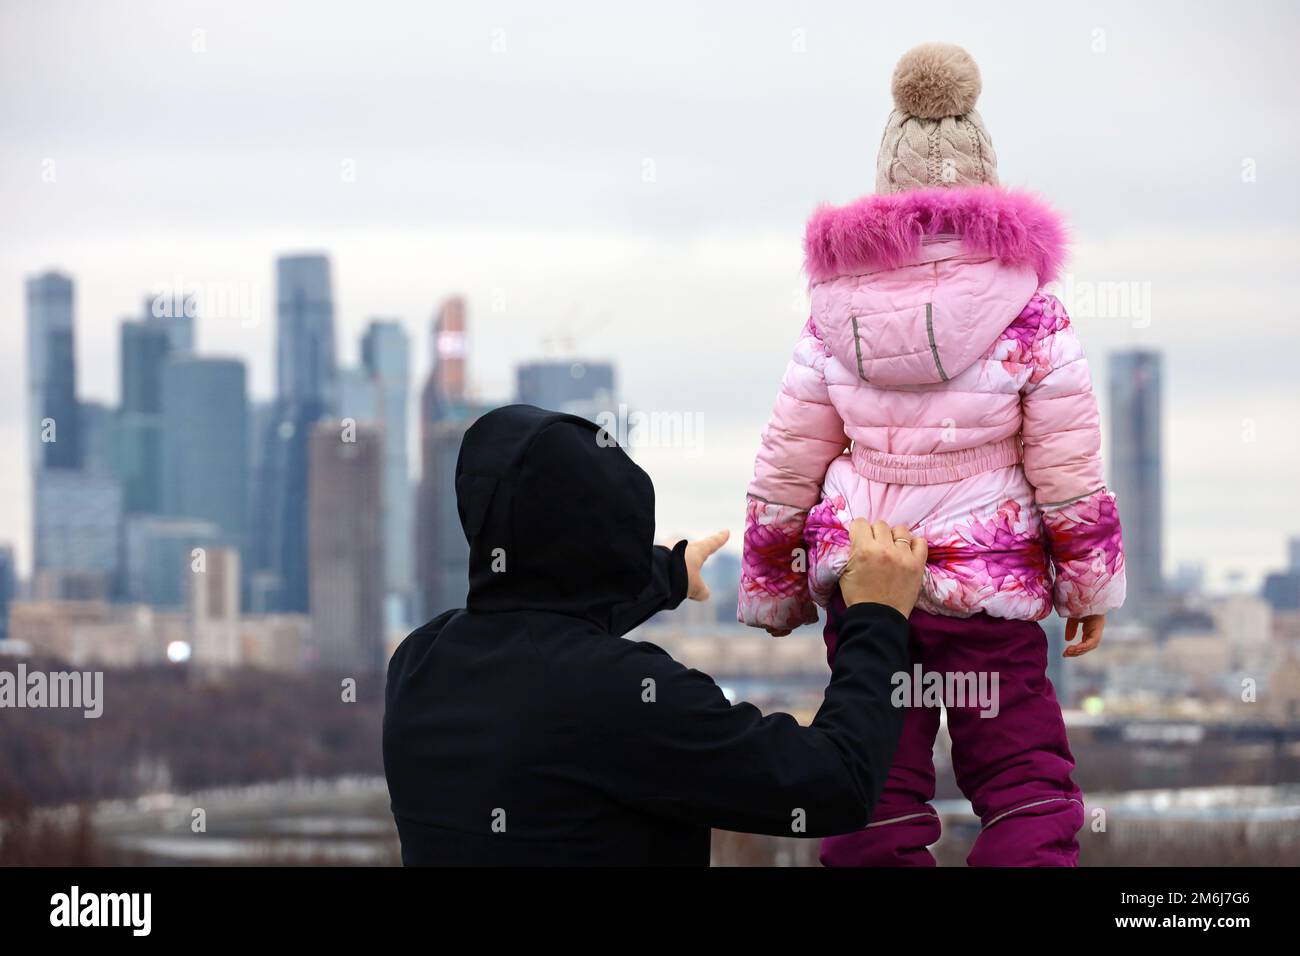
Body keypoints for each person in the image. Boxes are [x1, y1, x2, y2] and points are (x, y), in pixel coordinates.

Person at [738, 42, 1127, 866]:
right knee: (1024, 780)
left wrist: (774, 585)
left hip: (872, 578)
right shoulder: (1034, 314)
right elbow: (1068, 469)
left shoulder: (830, 316)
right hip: (988, 584)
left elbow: (787, 464)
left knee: (873, 781)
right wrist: (1088, 583)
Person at [383, 403, 926, 866]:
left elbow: (543, 625)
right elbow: (834, 785)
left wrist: (665, 574)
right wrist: (877, 615)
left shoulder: (421, 663)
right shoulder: (629, 696)